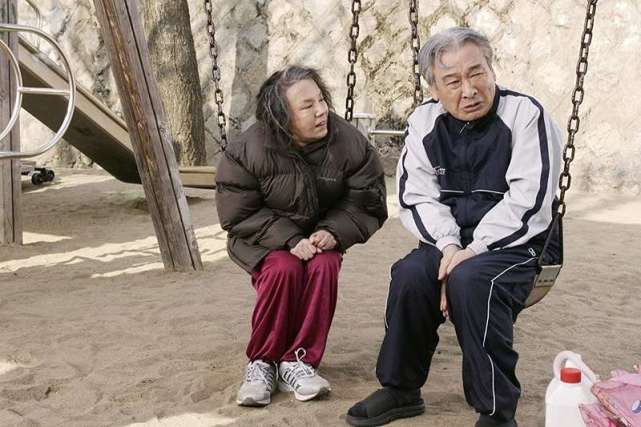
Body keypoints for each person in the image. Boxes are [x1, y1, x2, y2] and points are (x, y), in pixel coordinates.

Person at [346, 27, 562, 427]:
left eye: (477, 73)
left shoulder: (525, 114)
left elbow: (529, 200)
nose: (469, 90)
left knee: (471, 282)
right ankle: (400, 389)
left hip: (519, 243)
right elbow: (416, 196)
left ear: (492, 69)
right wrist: (448, 246)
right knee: (411, 275)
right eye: (453, 81)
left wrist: (472, 251)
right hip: (451, 240)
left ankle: (496, 413)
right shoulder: (424, 121)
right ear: (434, 88)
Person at [215, 66, 388, 407]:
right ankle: (262, 362)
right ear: (282, 116)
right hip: (262, 237)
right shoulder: (248, 149)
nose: (321, 110)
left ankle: (298, 361)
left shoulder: (347, 141)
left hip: (321, 234)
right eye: (307, 106)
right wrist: (290, 239)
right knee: (283, 269)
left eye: (321, 100)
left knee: (324, 265)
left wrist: (333, 231)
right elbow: (238, 212)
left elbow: (366, 199)